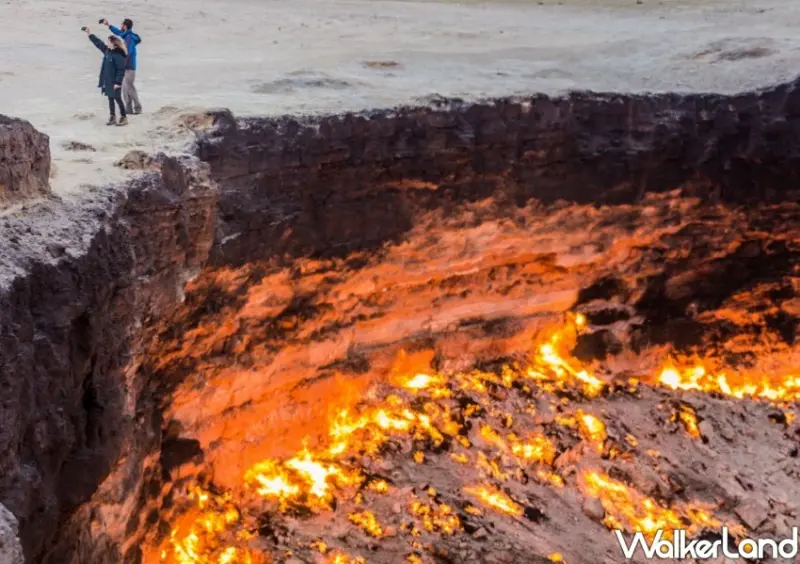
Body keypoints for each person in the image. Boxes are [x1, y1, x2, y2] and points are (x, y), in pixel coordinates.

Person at [83, 27, 128, 126]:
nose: (107, 43)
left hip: (115, 82)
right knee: (110, 98)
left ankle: (124, 117)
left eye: (109, 42)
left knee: (117, 98)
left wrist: (118, 83)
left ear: (114, 44)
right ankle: (112, 117)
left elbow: (121, 71)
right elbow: (98, 43)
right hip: (107, 80)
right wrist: (89, 34)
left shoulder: (118, 56)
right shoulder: (108, 51)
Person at [103, 18, 142, 115]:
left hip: (129, 67)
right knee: (125, 88)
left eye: (122, 24)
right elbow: (119, 32)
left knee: (129, 86)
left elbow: (129, 52)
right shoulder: (126, 35)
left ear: (125, 26)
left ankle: (138, 107)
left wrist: (122, 63)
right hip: (126, 67)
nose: (121, 26)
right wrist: (109, 25)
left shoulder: (129, 37)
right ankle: (128, 109)